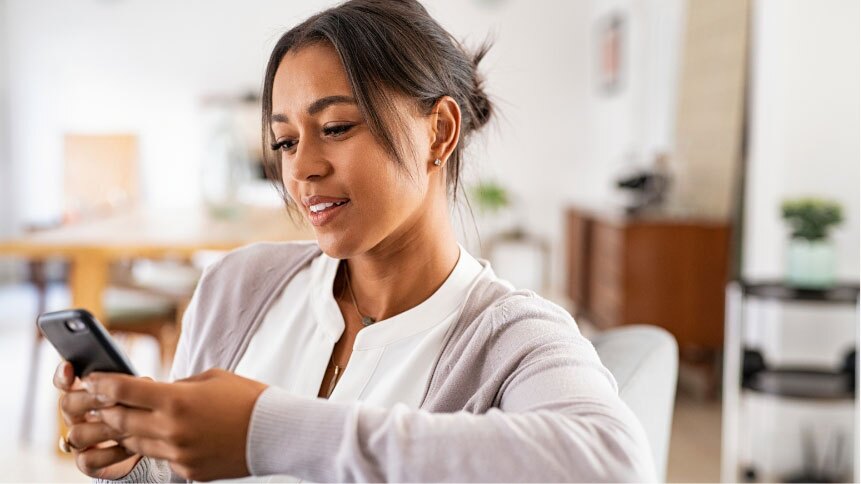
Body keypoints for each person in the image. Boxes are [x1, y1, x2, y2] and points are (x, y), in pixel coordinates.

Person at [53, 0, 656, 481]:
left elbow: (615, 465)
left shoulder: (510, 338)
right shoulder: (235, 286)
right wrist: (140, 461)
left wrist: (264, 432)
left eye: (336, 127)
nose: (302, 169)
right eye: (286, 141)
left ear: (439, 132)